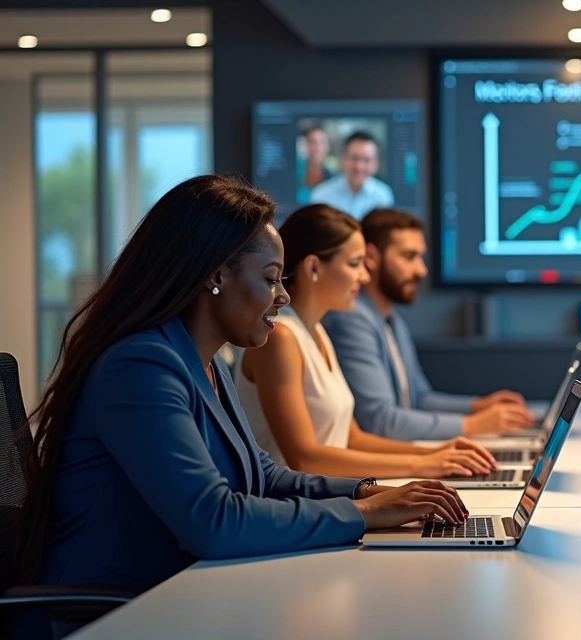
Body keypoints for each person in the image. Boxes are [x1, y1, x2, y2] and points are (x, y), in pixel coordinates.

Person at [10, 176, 469, 638]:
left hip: (184, 596)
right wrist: (368, 515)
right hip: (111, 618)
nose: (283, 296)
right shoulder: (140, 366)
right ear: (215, 276)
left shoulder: (208, 362)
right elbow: (214, 522)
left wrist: (366, 492)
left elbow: (263, 476)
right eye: (270, 279)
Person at [237, 204, 499, 479]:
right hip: (290, 501)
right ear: (313, 267)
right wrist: (421, 465)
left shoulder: (316, 332)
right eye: (354, 264)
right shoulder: (281, 336)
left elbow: (353, 439)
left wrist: (435, 453)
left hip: (326, 494)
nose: (364, 275)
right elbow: (305, 459)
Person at [323, 208, 533, 441]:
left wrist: (478, 406)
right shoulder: (351, 319)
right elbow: (380, 421)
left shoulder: (392, 320)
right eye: (409, 257)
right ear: (371, 257)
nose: (421, 270)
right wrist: (472, 424)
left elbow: (419, 398)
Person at [309, 131, 395, 219]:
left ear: (375, 163)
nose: (359, 167)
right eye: (355, 158)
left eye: (366, 160)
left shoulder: (383, 196)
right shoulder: (322, 196)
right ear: (343, 159)